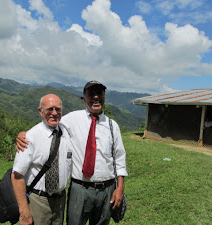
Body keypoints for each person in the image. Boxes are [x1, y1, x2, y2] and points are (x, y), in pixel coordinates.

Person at [16, 81, 128, 225]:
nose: (96, 97)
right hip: (80, 188)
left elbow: (119, 158)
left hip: (107, 189)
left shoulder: (113, 126)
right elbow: (49, 122)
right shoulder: (72, 118)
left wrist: (120, 187)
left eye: (99, 93)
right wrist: (25, 134)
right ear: (84, 97)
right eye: (91, 94)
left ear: (104, 97)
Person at [11, 94, 72, 225]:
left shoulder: (66, 132)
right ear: (41, 111)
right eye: (50, 109)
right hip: (38, 201)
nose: (54, 113)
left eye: (58, 109)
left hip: (60, 201)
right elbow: (17, 176)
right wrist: (24, 211)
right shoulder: (30, 138)